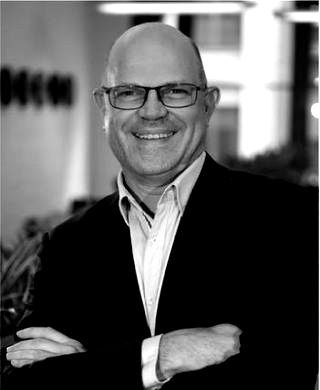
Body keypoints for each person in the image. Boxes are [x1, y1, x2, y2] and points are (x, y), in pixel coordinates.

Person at [3, 22, 318, 389]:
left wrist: (87, 369)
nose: (152, 111)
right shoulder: (67, 245)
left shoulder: (294, 217)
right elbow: (23, 382)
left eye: (176, 91)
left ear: (208, 103)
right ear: (104, 105)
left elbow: (278, 371)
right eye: (129, 92)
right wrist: (161, 355)